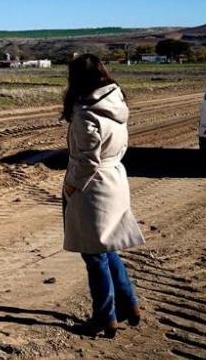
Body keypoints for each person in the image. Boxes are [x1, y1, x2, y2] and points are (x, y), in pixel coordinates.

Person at [61, 54, 145, 338]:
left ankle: (104, 317)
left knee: (94, 254)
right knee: (107, 248)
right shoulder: (116, 103)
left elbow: (87, 160)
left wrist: (71, 186)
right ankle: (129, 305)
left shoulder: (86, 113)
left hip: (93, 189)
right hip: (114, 179)